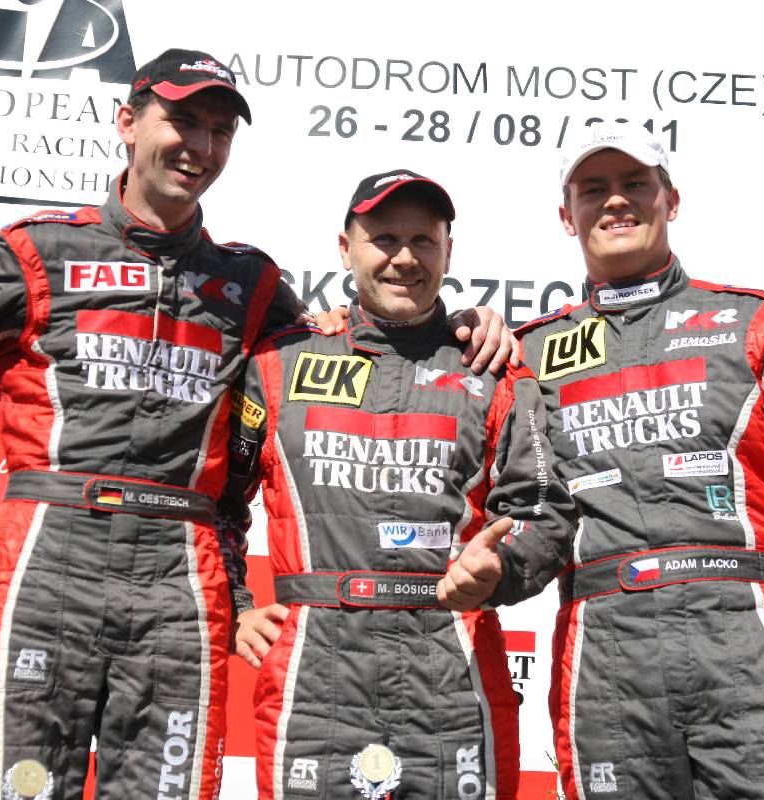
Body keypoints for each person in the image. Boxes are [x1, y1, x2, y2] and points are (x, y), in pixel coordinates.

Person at [0, 46, 510, 799]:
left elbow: (358, 346)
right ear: (127, 123)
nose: (200, 145)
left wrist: (461, 327)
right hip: (47, 554)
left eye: (219, 131)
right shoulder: (37, 250)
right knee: (16, 786)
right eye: (183, 121)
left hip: (180, 573)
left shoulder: (249, 282)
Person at [514, 122, 764, 799]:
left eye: (635, 183)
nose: (616, 200)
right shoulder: (527, 355)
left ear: (671, 201)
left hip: (748, 634)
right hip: (607, 648)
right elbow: (516, 500)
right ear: (567, 215)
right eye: (594, 189)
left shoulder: (757, 325)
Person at [222, 169, 575, 800]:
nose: (405, 258)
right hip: (313, 676)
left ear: (448, 252)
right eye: (384, 238)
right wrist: (234, 606)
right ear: (345, 248)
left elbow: (544, 508)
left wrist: (502, 569)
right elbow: (219, 499)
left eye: (423, 240)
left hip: (452, 671)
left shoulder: (494, 369)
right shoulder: (279, 361)